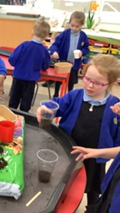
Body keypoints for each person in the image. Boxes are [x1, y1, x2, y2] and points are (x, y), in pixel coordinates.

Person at [36, 54, 120, 206]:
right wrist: (45, 108)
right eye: (87, 79)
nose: (89, 85)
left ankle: (92, 207)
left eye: (97, 83)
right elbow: (57, 106)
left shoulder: (115, 106)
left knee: (94, 187)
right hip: (69, 151)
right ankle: (59, 203)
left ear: (110, 83)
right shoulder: (75, 95)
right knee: (65, 181)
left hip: (95, 158)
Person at [8, 20, 51, 112]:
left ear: (32, 32)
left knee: (13, 102)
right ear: (47, 36)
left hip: (18, 78)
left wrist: (18, 65)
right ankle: (24, 120)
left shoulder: (24, 45)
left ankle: (11, 120)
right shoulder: (44, 50)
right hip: (30, 81)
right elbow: (46, 65)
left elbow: (12, 59)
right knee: (26, 105)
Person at [49, 11, 90, 97]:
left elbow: (86, 49)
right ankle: (56, 94)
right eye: (72, 25)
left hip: (74, 64)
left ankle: (69, 95)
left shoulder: (83, 36)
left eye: (77, 26)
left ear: (82, 25)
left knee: (71, 81)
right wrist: (54, 52)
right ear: (70, 23)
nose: (74, 28)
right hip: (63, 63)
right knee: (59, 80)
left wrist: (82, 52)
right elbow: (55, 45)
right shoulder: (65, 34)